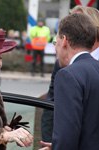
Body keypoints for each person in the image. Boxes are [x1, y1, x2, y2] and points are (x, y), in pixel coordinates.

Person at [39, 12, 99, 150]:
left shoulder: (68, 75)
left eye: (56, 41)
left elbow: (67, 134)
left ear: (64, 40)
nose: (55, 47)